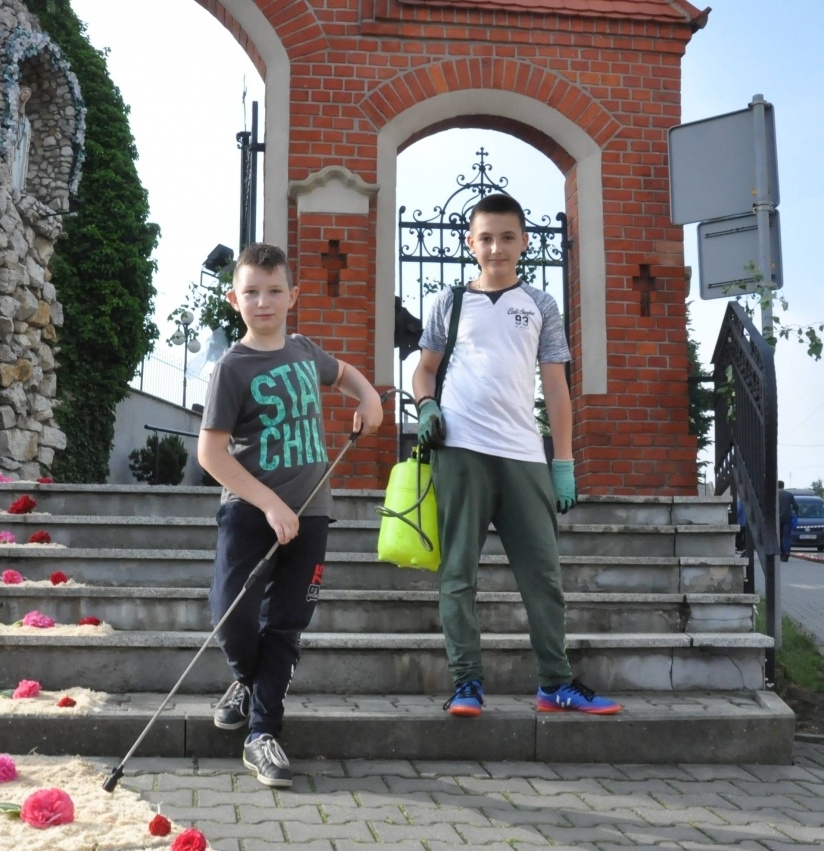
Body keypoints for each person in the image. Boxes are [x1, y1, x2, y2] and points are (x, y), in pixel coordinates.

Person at [411, 192, 621, 719]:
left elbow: (556, 386)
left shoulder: (541, 306)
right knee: (459, 572)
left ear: (524, 242)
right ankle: (466, 684)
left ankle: (555, 684)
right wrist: (427, 406)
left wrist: (564, 462)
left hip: (524, 455)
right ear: (470, 243)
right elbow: (424, 369)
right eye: (486, 238)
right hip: (459, 451)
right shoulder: (450, 302)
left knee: (543, 577)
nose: (496, 248)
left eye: (507, 237)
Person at [197, 242, 382, 788]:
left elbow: (343, 372)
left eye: (275, 291)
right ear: (234, 299)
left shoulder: (303, 350)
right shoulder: (232, 368)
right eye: (251, 292)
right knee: (231, 617)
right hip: (250, 511)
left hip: (313, 512)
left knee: (287, 624)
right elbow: (211, 454)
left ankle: (262, 733)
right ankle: (248, 680)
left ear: (292, 296)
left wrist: (368, 396)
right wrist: (269, 503)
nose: (264, 302)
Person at [777, 480, 795, 562]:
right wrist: (797, 512)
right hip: (788, 518)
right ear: (783, 486)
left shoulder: (775, 495)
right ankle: (787, 551)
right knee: (786, 536)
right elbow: (795, 505)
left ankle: (781, 553)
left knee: (779, 536)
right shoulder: (789, 495)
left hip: (777, 518)